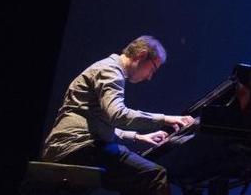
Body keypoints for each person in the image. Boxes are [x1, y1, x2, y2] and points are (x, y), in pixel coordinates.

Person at [41, 35, 194, 195]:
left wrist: (138, 137)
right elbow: (118, 115)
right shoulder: (110, 70)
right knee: (154, 175)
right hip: (78, 149)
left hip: (67, 148)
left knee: (134, 180)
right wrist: (165, 119)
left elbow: (98, 122)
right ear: (141, 55)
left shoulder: (107, 67)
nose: (149, 77)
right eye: (153, 68)